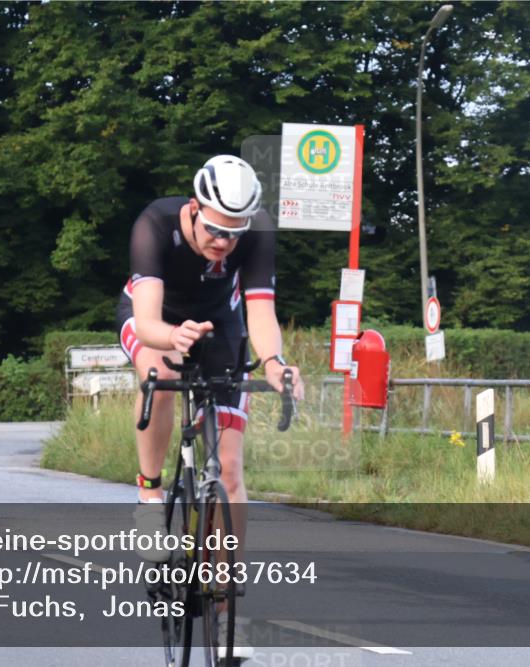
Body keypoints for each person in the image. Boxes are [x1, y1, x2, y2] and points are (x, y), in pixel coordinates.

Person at [116, 155, 305, 659]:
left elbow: (260, 311)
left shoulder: (257, 231)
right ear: (195, 208)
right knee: (161, 372)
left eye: (234, 234)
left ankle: (226, 614)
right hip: (157, 318)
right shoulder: (154, 225)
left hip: (221, 326)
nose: (223, 244)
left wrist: (274, 363)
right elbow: (148, 318)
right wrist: (171, 338)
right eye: (215, 230)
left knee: (233, 470)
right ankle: (150, 498)